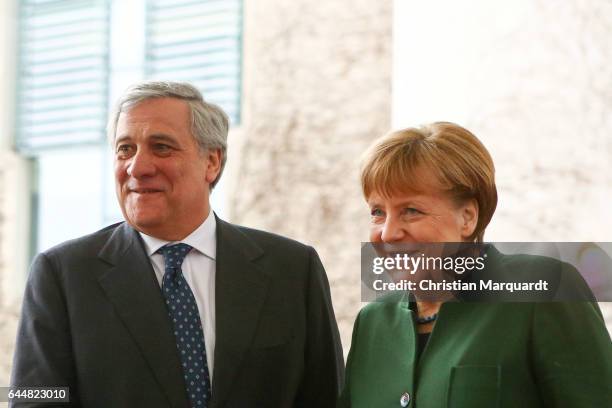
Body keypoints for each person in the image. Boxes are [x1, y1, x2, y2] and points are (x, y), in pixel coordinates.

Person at [11, 81, 344, 408]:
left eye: (161, 147)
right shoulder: (63, 275)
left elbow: (325, 397)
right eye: (125, 149)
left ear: (211, 162)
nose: (137, 167)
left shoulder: (292, 270)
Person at [338, 122, 612, 407]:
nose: (388, 233)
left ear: (467, 217)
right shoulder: (372, 322)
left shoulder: (544, 289)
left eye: (411, 211)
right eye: (378, 212)